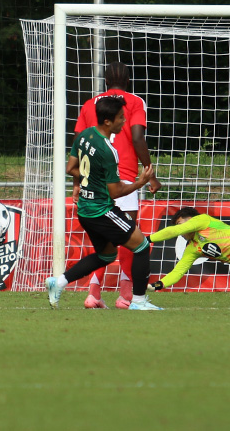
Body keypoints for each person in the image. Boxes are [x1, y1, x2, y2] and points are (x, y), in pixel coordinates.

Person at [45, 95, 159, 310]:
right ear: (108, 121)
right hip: (101, 211)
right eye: (120, 118)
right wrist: (140, 182)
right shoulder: (108, 151)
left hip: (85, 211)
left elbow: (70, 168)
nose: (124, 121)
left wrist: (88, 181)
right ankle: (138, 301)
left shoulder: (85, 135)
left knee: (106, 255)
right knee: (142, 246)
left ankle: (58, 282)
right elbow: (115, 192)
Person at [74, 61, 161, 309]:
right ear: (129, 80)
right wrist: (150, 174)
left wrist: (77, 182)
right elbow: (136, 136)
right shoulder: (134, 101)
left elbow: (80, 142)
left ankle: (93, 293)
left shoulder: (90, 103)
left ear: (104, 82)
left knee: (103, 241)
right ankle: (126, 296)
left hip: (93, 179)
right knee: (130, 238)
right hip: (121, 178)